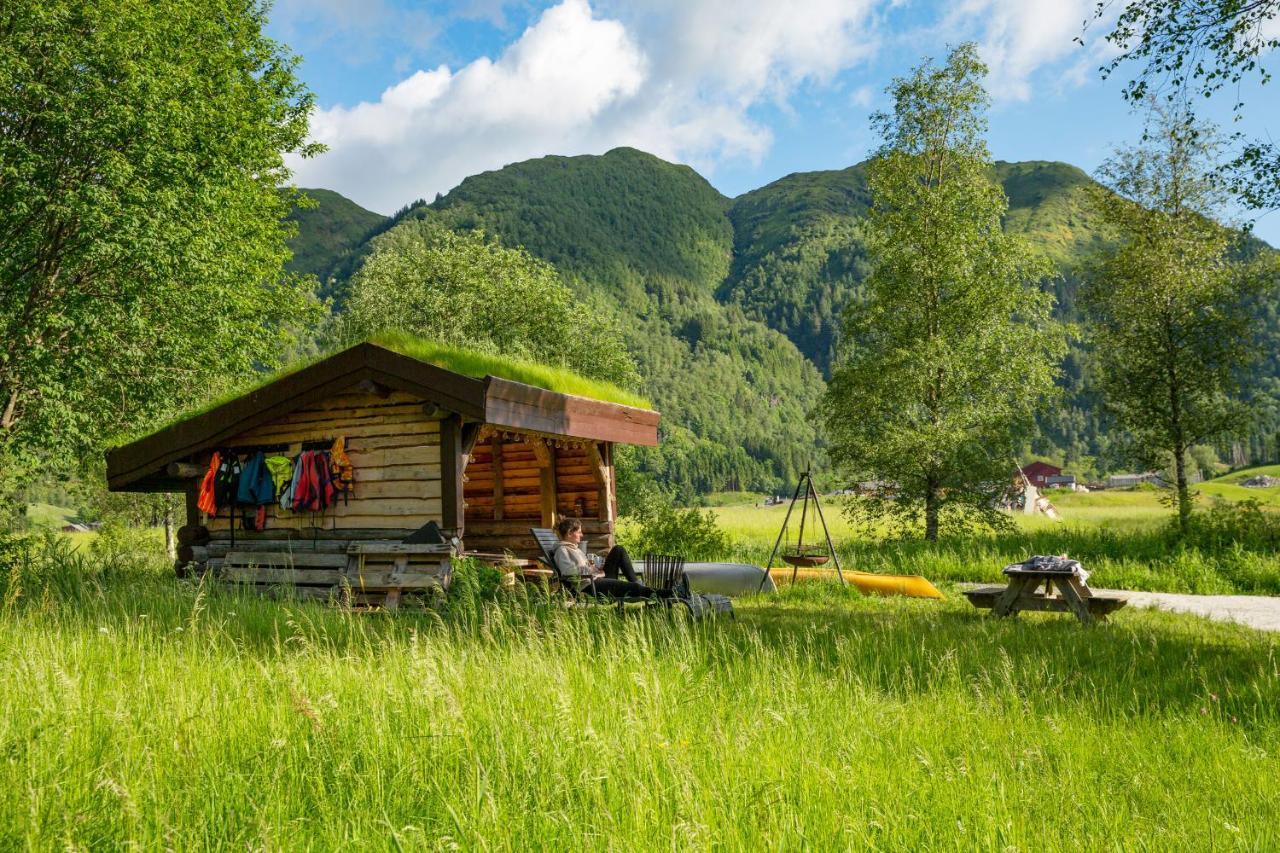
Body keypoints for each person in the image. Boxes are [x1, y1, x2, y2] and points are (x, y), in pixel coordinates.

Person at [553, 517, 656, 599]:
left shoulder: (575, 549)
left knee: (618, 550)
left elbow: (582, 567)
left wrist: (595, 568)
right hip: (591, 586)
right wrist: (590, 570)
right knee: (634, 588)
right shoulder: (562, 551)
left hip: (597, 578)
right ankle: (666, 593)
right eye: (579, 532)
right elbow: (568, 572)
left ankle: (638, 583)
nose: (582, 534)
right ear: (570, 533)